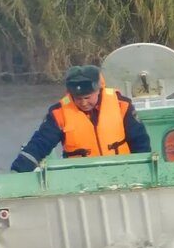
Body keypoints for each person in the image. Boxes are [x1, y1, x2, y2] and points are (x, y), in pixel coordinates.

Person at [9, 65, 151, 172]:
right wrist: (18, 169)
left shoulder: (121, 105)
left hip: (123, 172)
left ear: (98, 90)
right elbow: (40, 143)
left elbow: (140, 141)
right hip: (80, 178)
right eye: (77, 98)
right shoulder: (59, 113)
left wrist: (143, 170)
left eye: (87, 97)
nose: (83, 103)